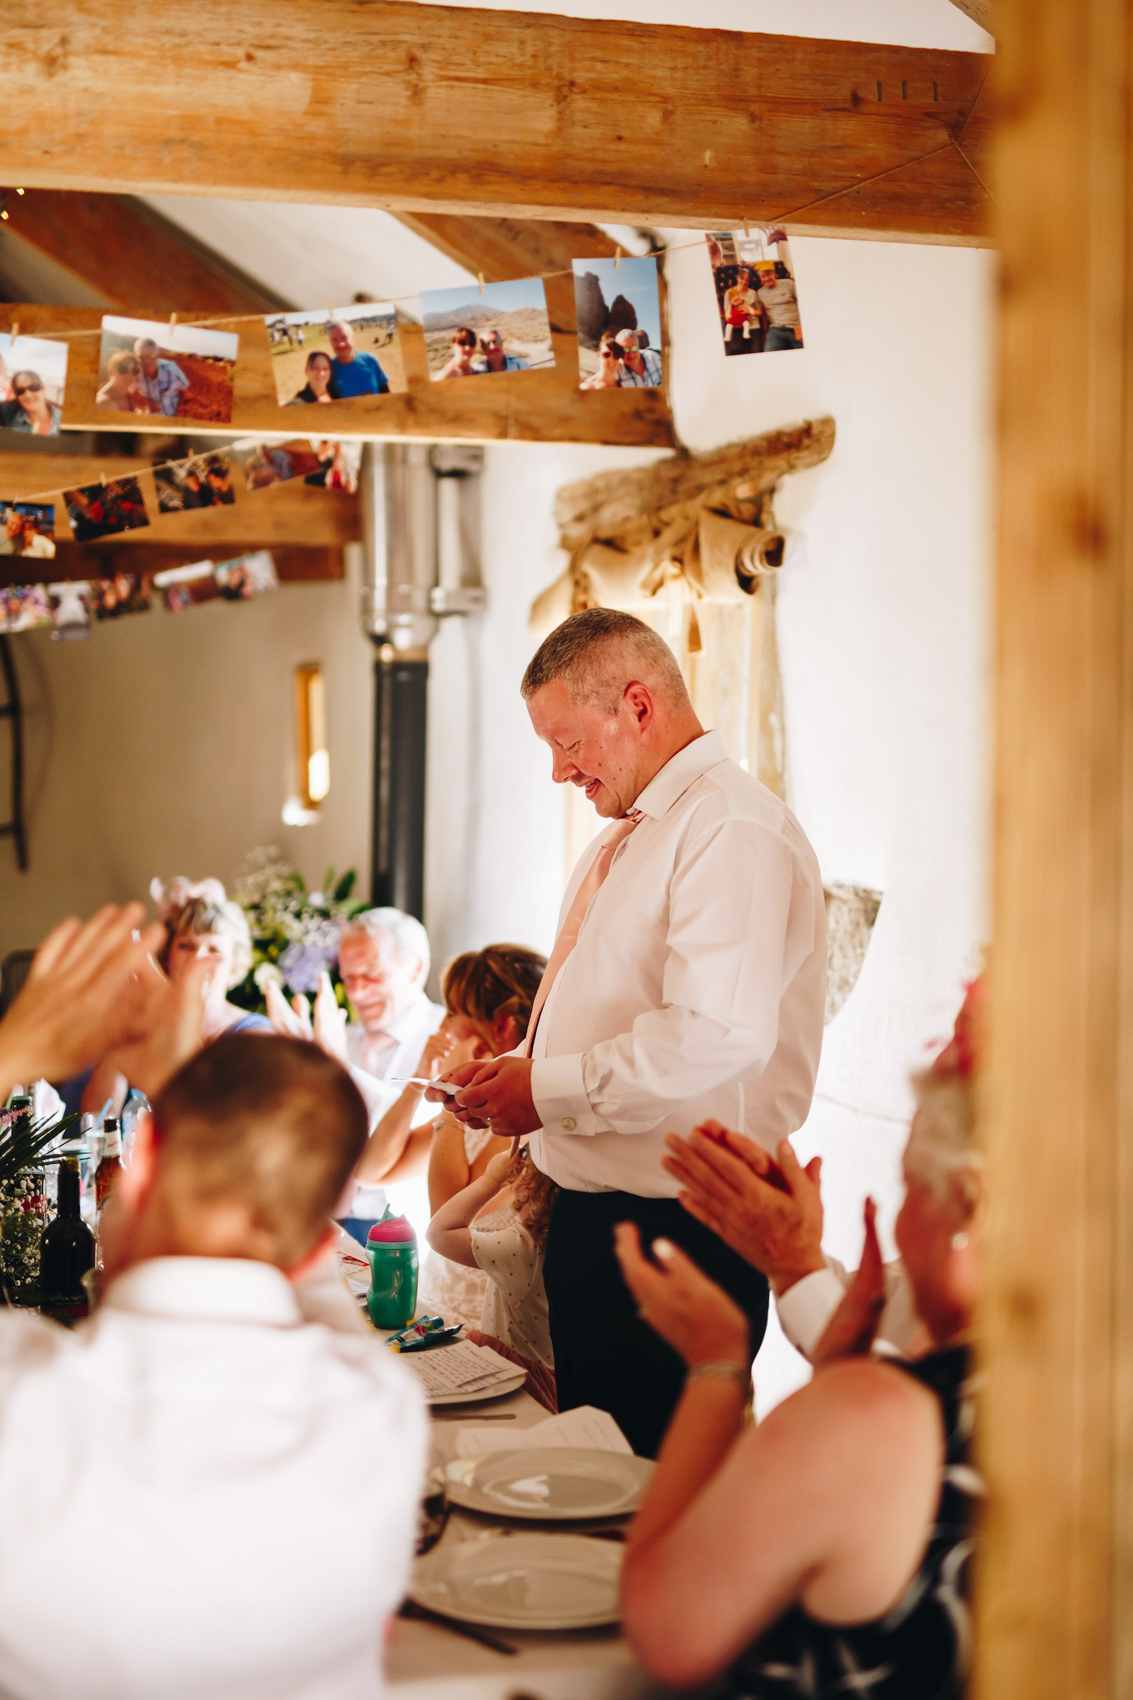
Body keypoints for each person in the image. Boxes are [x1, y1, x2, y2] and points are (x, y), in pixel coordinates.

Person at [435, 608, 827, 1457]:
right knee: (589, 1476)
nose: (556, 771)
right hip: (594, 1219)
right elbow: (610, 999)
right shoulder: (635, 833)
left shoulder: (729, 827)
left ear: (638, 707)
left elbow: (715, 1032)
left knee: (643, 1495)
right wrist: (521, 1066)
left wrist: (543, 1090)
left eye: (567, 742)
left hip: (676, 1227)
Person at [0, 995, 427, 1696]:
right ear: (322, 1245)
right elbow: (312, 1274)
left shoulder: (18, 1395)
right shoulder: (379, 1406)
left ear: (141, 1163)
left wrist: (13, 1057)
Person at [613, 999, 982, 1700]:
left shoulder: (879, 1416)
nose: (900, 1221)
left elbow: (666, 1631)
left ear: (970, 1201)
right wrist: (798, 1274)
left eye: (908, 1185)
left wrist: (716, 1364)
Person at [268, 908, 444, 1244]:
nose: (358, 993)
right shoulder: (336, 1034)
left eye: (372, 975)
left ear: (416, 968)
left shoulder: (447, 1037)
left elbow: (412, 1130)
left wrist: (336, 1066)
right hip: (324, 1220)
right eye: (348, 978)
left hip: (410, 1232)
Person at [69, 878, 270, 1121]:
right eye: (186, 946)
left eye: (214, 950)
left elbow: (226, 1121)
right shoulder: (141, 1024)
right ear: (166, 957)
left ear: (235, 967)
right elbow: (95, 1121)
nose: (198, 958)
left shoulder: (255, 1035)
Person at [427, 1140, 557, 1377]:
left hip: (513, 1375)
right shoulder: (568, 1244)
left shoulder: (523, 1249)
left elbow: (439, 1234)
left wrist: (492, 1180)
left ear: (529, 1189)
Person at [327, 319, 390, 396]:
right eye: (334, 340)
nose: (341, 344)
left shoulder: (370, 359)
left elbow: (385, 391)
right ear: (330, 343)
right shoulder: (328, 369)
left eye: (344, 337)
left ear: (352, 337)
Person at [755, 258, 803, 351]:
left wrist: (802, 324)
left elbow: (803, 303)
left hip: (795, 327)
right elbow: (760, 312)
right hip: (776, 330)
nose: (766, 278)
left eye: (768, 274)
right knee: (769, 355)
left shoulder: (788, 283)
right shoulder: (760, 293)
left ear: (774, 273)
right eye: (762, 276)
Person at [134, 337, 190, 415]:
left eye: (152, 357)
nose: (147, 362)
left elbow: (182, 391)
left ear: (158, 355)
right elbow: (128, 394)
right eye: (142, 358)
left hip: (168, 418)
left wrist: (175, 411)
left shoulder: (171, 369)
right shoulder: (133, 373)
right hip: (147, 420)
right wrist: (144, 401)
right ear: (135, 356)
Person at [0, 369, 60, 434]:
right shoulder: (10, 419)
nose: (28, 395)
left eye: (33, 387)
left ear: (43, 389)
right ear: (17, 397)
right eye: (20, 391)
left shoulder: (63, 418)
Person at [95, 349, 152, 413]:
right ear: (111, 371)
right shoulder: (105, 403)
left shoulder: (128, 396)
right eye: (123, 369)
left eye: (134, 370)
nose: (129, 375)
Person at [723, 267, 760, 345]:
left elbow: (760, 311)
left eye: (747, 280)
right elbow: (727, 315)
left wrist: (750, 312)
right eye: (742, 278)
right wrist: (736, 321)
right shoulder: (729, 293)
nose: (744, 282)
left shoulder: (753, 293)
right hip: (735, 325)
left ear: (749, 282)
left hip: (752, 325)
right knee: (735, 350)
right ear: (737, 277)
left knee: (756, 350)